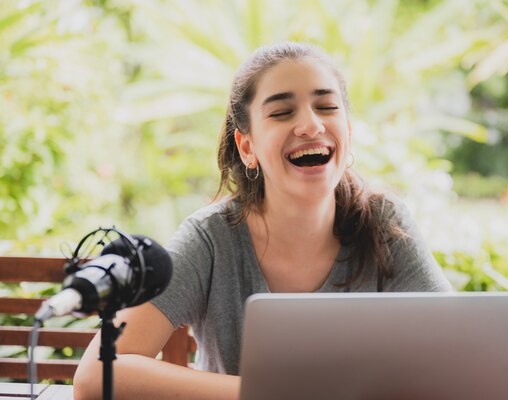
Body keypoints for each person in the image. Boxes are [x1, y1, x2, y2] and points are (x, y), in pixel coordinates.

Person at [73, 41, 452, 400]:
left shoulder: (386, 224)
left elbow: (456, 353)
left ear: (348, 133)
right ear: (247, 147)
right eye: (281, 112)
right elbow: (95, 378)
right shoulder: (210, 238)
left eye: (327, 107)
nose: (310, 125)